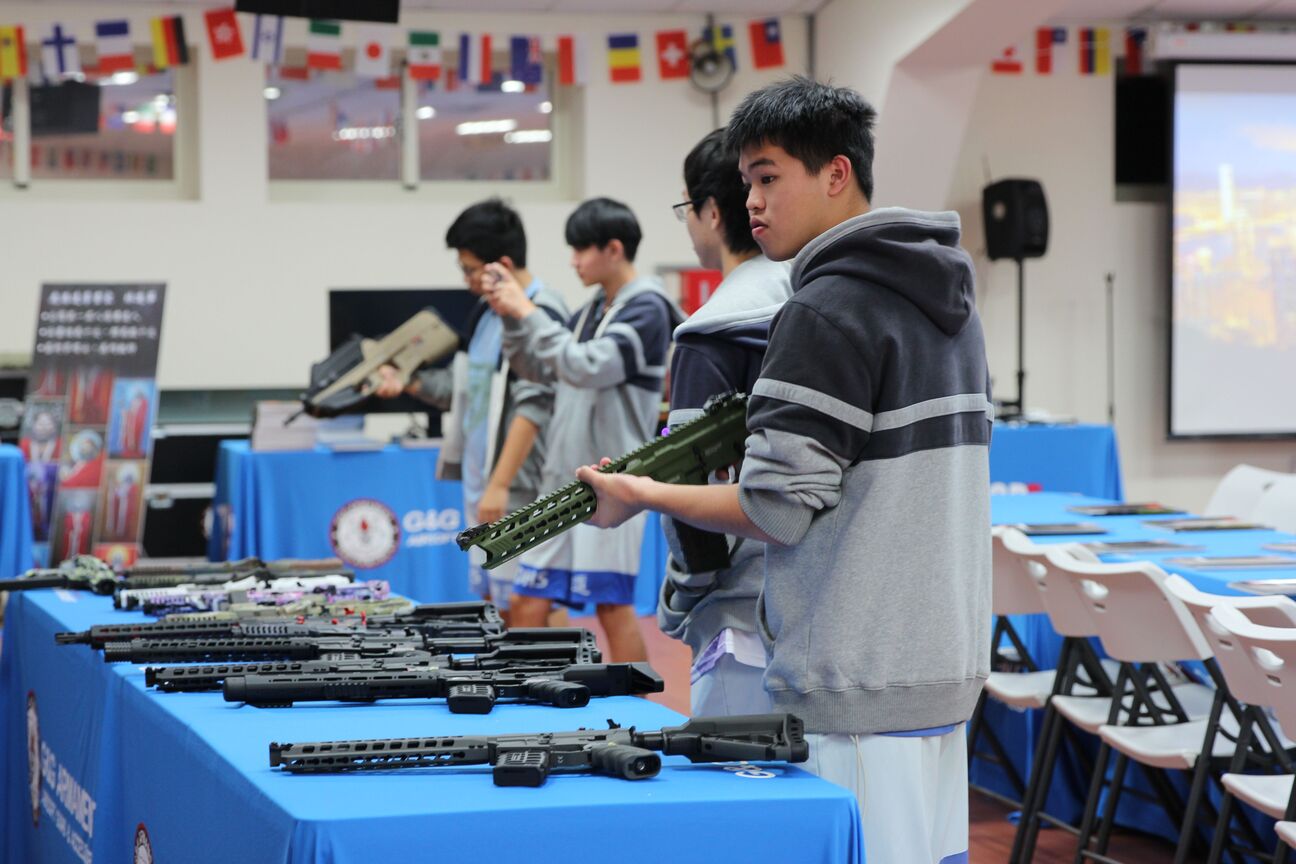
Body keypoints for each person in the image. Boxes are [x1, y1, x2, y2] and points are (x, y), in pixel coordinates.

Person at [573, 78, 992, 864]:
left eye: (768, 178)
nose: (753, 203)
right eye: (745, 184)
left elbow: (776, 507)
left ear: (836, 173)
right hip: (941, 668)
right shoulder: (950, 300)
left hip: (854, 677)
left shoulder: (824, 309)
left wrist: (640, 494)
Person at [485, 197, 682, 662]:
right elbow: (540, 368)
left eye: (580, 249)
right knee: (527, 600)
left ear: (613, 249)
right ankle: (531, 696)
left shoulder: (648, 309)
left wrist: (528, 311)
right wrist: (510, 315)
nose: (573, 261)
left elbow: (588, 366)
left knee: (612, 608)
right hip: (565, 482)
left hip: (613, 483)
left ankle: (638, 701)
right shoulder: (592, 309)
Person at [375, 199, 569, 622]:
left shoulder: (541, 312)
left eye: (470, 270)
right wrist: (408, 382)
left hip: (522, 487)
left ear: (502, 264)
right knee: (500, 607)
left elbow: (535, 404)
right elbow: (464, 389)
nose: (466, 281)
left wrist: (500, 484)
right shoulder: (485, 313)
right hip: (483, 485)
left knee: (531, 605)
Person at [661, 128, 792, 715]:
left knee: (740, 764)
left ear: (712, 212)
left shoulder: (712, 329)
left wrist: (681, 593)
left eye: (686, 209)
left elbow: (690, 495)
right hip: (828, 605)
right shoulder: (820, 299)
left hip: (741, 610)